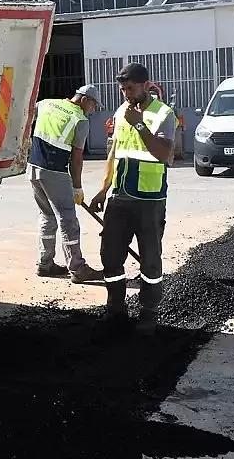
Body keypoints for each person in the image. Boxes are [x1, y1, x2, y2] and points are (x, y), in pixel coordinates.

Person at [88, 63, 177, 335]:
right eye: (122, 89)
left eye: (130, 88)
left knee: (150, 259)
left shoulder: (163, 114)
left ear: (146, 85)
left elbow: (164, 154)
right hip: (120, 197)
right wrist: (104, 189)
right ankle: (116, 308)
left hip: (149, 200)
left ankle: (149, 313)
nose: (126, 94)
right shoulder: (120, 112)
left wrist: (139, 125)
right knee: (110, 256)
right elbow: (115, 152)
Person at [29, 85, 104, 283]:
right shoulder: (80, 120)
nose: (93, 110)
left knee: (47, 216)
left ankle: (45, 264)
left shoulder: (46, 104)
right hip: (55, 172)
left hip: (34, 168)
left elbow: (25, 116)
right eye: (94, 106)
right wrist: (77, 187)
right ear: (86, 100)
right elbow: (76, 157)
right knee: (68, 219)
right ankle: (78, 269)